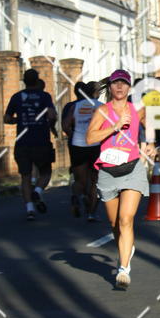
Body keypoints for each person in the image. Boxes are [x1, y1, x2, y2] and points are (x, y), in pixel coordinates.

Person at [86, 69, 154, 289]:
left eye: (124, 83)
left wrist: (151, 142)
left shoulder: (137, 109)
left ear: (129, 87)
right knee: (115, 223)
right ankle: (125, 249)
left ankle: (124, 269)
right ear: (111, 86)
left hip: (132, 168)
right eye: (116, 83)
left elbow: (149, 123)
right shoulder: (102, 111)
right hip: (107, 171)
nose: (119, 87)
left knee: (126, 219)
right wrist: (114, 127)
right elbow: (89, 138)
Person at [4, 68, 57, 220]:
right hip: (41, 141)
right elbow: (52, 115)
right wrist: (50, 123)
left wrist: (18, 120)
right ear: (37, 80)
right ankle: (38, 192)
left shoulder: (16, 97)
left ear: (24, 81)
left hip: (22, 142)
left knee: (25, 177)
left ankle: (29, 210)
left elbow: (7, 118)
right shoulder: (45, 96)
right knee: (46, 172)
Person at [62, 81, 103, 220]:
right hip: (96, 146)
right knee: (94, 180)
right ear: (94, 93)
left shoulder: (75, 106)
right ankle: (91, 213)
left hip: (78, 145)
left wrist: (74, 135)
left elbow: (65, 125)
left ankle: (75, 196)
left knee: (80, 179)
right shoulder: (101, 106)